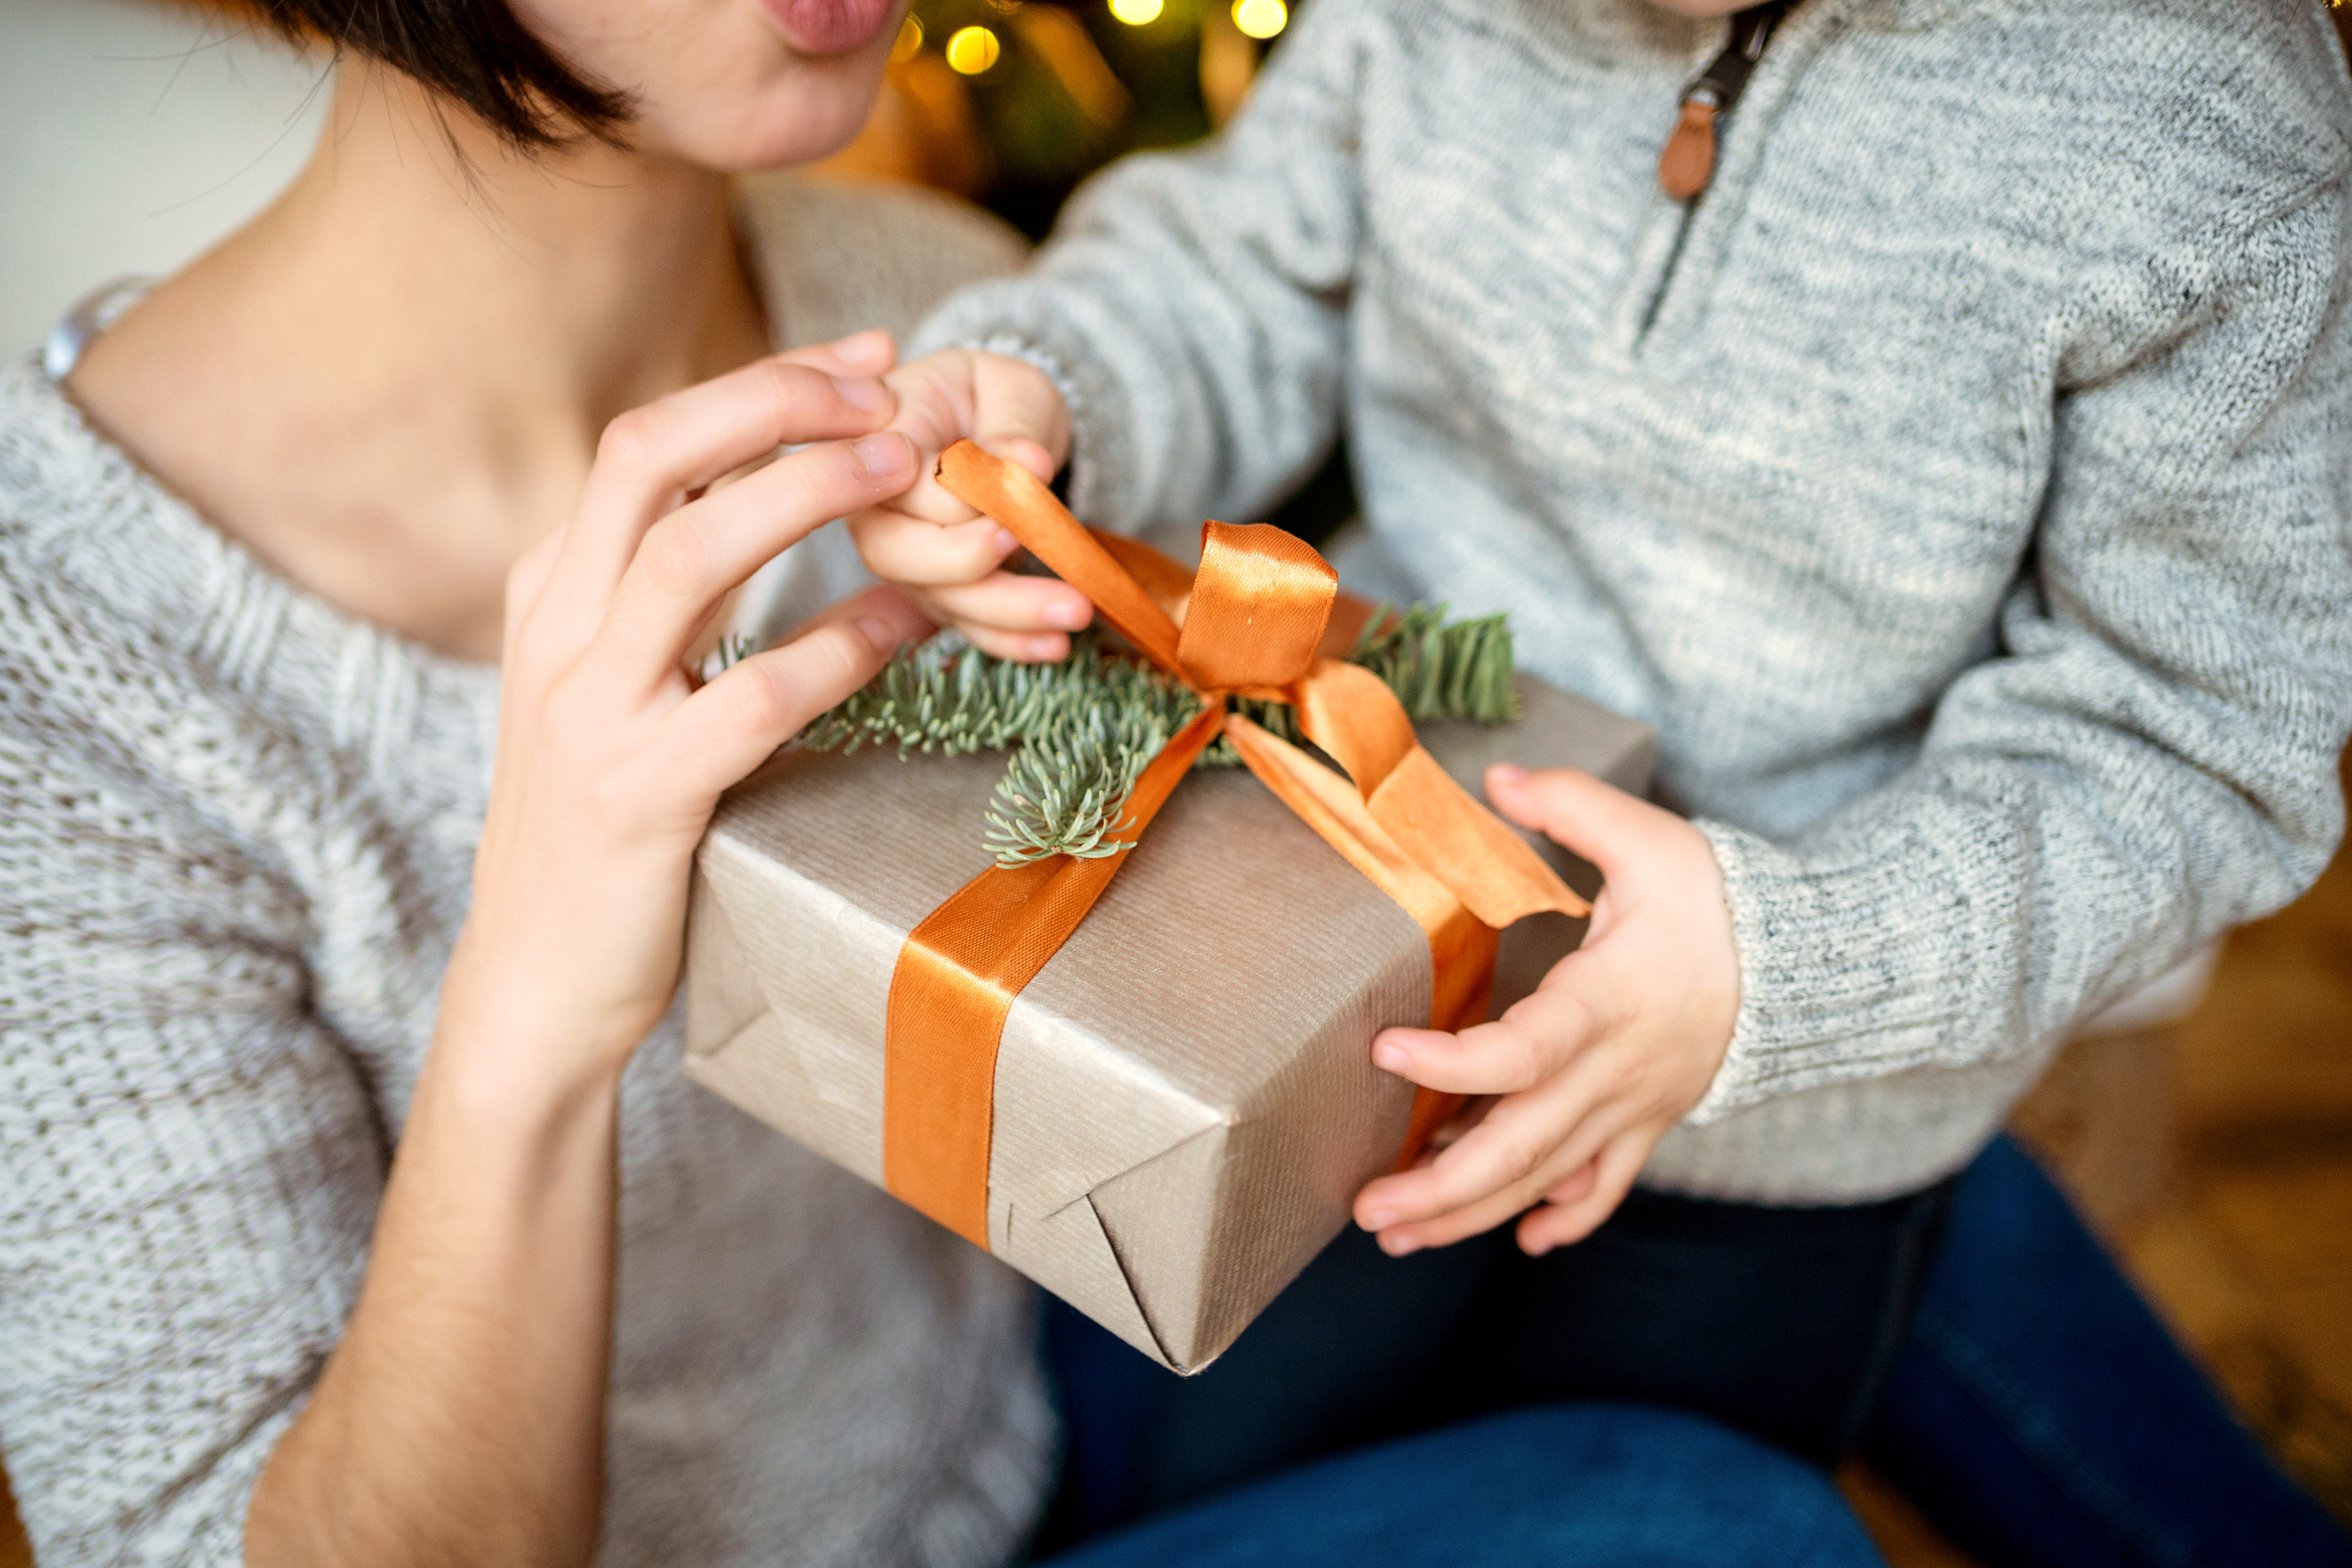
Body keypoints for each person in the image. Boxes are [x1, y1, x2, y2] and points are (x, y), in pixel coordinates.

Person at [0, 1, 1892, 1564]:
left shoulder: (938, 308)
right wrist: (530, 1014)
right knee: (1723, 1522)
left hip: (1053, 1373)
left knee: (1748, 1160)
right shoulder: (60, 676)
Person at [854, 0, 2352, 1532]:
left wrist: (1793, 965)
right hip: (1341, 973)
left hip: (1781, 1153)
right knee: (1219, 1473)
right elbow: (1241, 268)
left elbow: (2196, 740)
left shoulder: (2213, 116)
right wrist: (1059, 395)